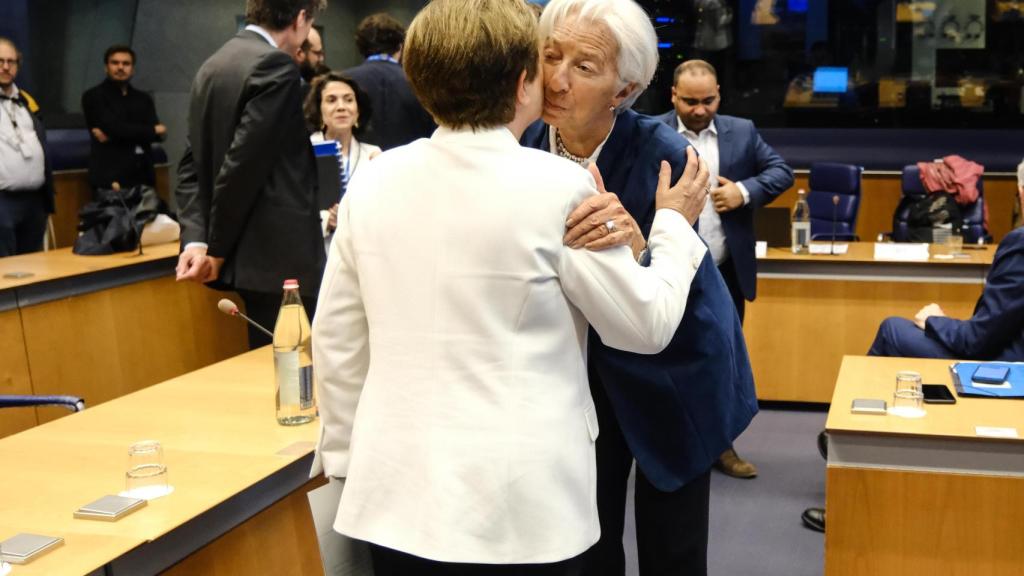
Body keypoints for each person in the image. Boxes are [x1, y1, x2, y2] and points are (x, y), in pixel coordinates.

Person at [310, 0, 712, 573]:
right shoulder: (557, 187)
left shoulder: (374, 181)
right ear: (525, 81)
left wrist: (350, 462)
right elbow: (644, 327)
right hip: (524, 504)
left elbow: (339, 344)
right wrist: (672, 225)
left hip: (397, 494)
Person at [521, 1, 758, 574]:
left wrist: (641, 250)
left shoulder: (667, 155)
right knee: (587, 543)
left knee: (671, 551)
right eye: (551, 55)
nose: (556, 78)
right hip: (584, 378)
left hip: (675, 370)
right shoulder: (524, 146)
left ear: (623, 90)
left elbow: (677, 286)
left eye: (584, 66)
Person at [802, 222, 1024, 534]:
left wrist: (934, 320)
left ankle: (850, 483)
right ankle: (848, 453)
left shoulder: (1021, 242)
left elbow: (978, 341)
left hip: (1005, 377)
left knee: (893, 330)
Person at [656, 59, 794, 478]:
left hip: (725, 269)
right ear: (674, 96)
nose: (700, 110)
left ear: (719, 94)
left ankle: (721, 446)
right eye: (691, 102)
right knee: (666, 358)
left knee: (723, 359)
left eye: (709, 100)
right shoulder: (653, 130)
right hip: (669, 268)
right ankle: (668, 443)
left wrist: (744, 191)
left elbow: (780, 172)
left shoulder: (742, 131)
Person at [175, 0, 326, 349]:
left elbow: (189, 164)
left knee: (267, 367)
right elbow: (243, 166)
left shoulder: (213, 64)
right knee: (296, 376)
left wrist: (196, 239)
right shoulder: (275, 66)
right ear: (301, 18)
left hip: (249, 261)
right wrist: (216, 248)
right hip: (279, 260)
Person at [303, 72, 380, 242]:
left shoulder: (373, 156)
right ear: (318, 110)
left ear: (358, 111)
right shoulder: (303, 153)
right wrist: (325, 220)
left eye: (348, 99)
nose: (341, 107)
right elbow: (292, 210)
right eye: (331, 100)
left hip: (360, 249)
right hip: (317, 252)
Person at [342, 13, 435, 149]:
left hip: (361, 167)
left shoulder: (342, 83)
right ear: (400, 46)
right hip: (412, 165)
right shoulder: (420, 82)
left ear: (361, 48)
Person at [81, 45, 165, 192]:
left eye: (126, 63)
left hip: (143, 175)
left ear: (132, 69)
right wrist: (150, 130)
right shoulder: (94, 96)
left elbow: (160, 136)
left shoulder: (143, 99)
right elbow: (114, 128)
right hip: (109, 178)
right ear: (106, 67)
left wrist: (114, 136)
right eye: (115, 63)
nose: (120, 67)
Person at [0, 37, 53, 257]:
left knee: (33, 269)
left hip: (34, 201)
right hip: (3, 203)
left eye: (11, 62)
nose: (5, 67)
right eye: (0, 61)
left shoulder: (27, 102)